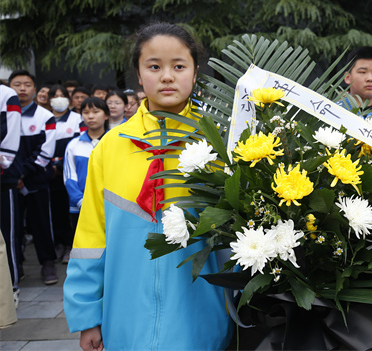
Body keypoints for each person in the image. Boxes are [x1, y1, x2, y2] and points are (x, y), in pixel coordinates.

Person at [63, 22, 233, 351]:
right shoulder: (110, 147)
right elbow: (91, 237)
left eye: (179, 66)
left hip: (201, 314)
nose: (167, 76)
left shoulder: (220, 145)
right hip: (125, 318)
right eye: (154, 66)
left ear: (195, 73)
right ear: (139, 76)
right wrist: (86, 316)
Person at [6, 70, 58, 286]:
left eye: (27, 84)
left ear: (35, 89)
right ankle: (15, 265)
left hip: (35, 180)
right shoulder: (5, 115)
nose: (22, 88)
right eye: (17, 84)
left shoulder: (45, 117)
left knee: (41, 224)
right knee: (13, 227)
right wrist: (13, 175)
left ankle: (48, 264)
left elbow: (45, 153)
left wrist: (22, 173)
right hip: (8, 182)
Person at [63, 97, 109, 250]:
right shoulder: (74, 145)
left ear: (106, 115)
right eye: (86, 112)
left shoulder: (114, 142)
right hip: (80, 207)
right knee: (85, 248)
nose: (90, 116)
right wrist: (81, 201)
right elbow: (69, 177)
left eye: (96, 112)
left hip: (109, 206)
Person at [48, 85, 84, 264]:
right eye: (55, 96)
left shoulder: (77, 119)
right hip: (49, 172)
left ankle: (71, 243)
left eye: (62, 95)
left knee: (70, 209)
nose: (58, 99)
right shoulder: (45, 118)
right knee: (55, 209)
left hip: (71, 170)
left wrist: (60, 164)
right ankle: (59, 243)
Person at [0, 84, 21, 323]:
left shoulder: (6, 95)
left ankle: (12, 286)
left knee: (6, 236)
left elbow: (9, 138)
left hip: (3, 179)